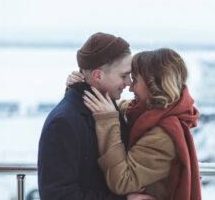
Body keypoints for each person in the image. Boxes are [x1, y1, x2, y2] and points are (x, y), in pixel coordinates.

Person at [68, 48, 202, 200]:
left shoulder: (164, 135)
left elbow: (122, 181)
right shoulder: (142, 112)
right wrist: (83, 85)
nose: (130, 86)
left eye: (135, 80)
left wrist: (108, 121)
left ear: (154, 84)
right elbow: (108, 106)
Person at [38, 32, 155, 200]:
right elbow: (56, 195)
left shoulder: (108, 105)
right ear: (98, 76)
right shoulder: (62, 122)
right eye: (123, 75)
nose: (129, 82)